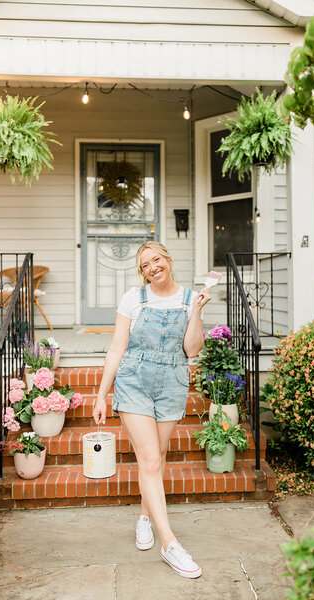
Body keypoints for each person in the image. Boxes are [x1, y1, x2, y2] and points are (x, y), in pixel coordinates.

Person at [93, 241, 211, 578]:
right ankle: (170, 544)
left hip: (172, 380)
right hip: (134, 379)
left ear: (169, 261)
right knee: (149, 459)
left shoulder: (190, 300)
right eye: (145, 265)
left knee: (156, 457)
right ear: (142, 272)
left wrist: (198, 312)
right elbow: (117, 347)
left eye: (156, 260)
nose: (152, 268)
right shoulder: (134, 299)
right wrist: (101, 394)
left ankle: (144, 517)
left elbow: (191, 349)